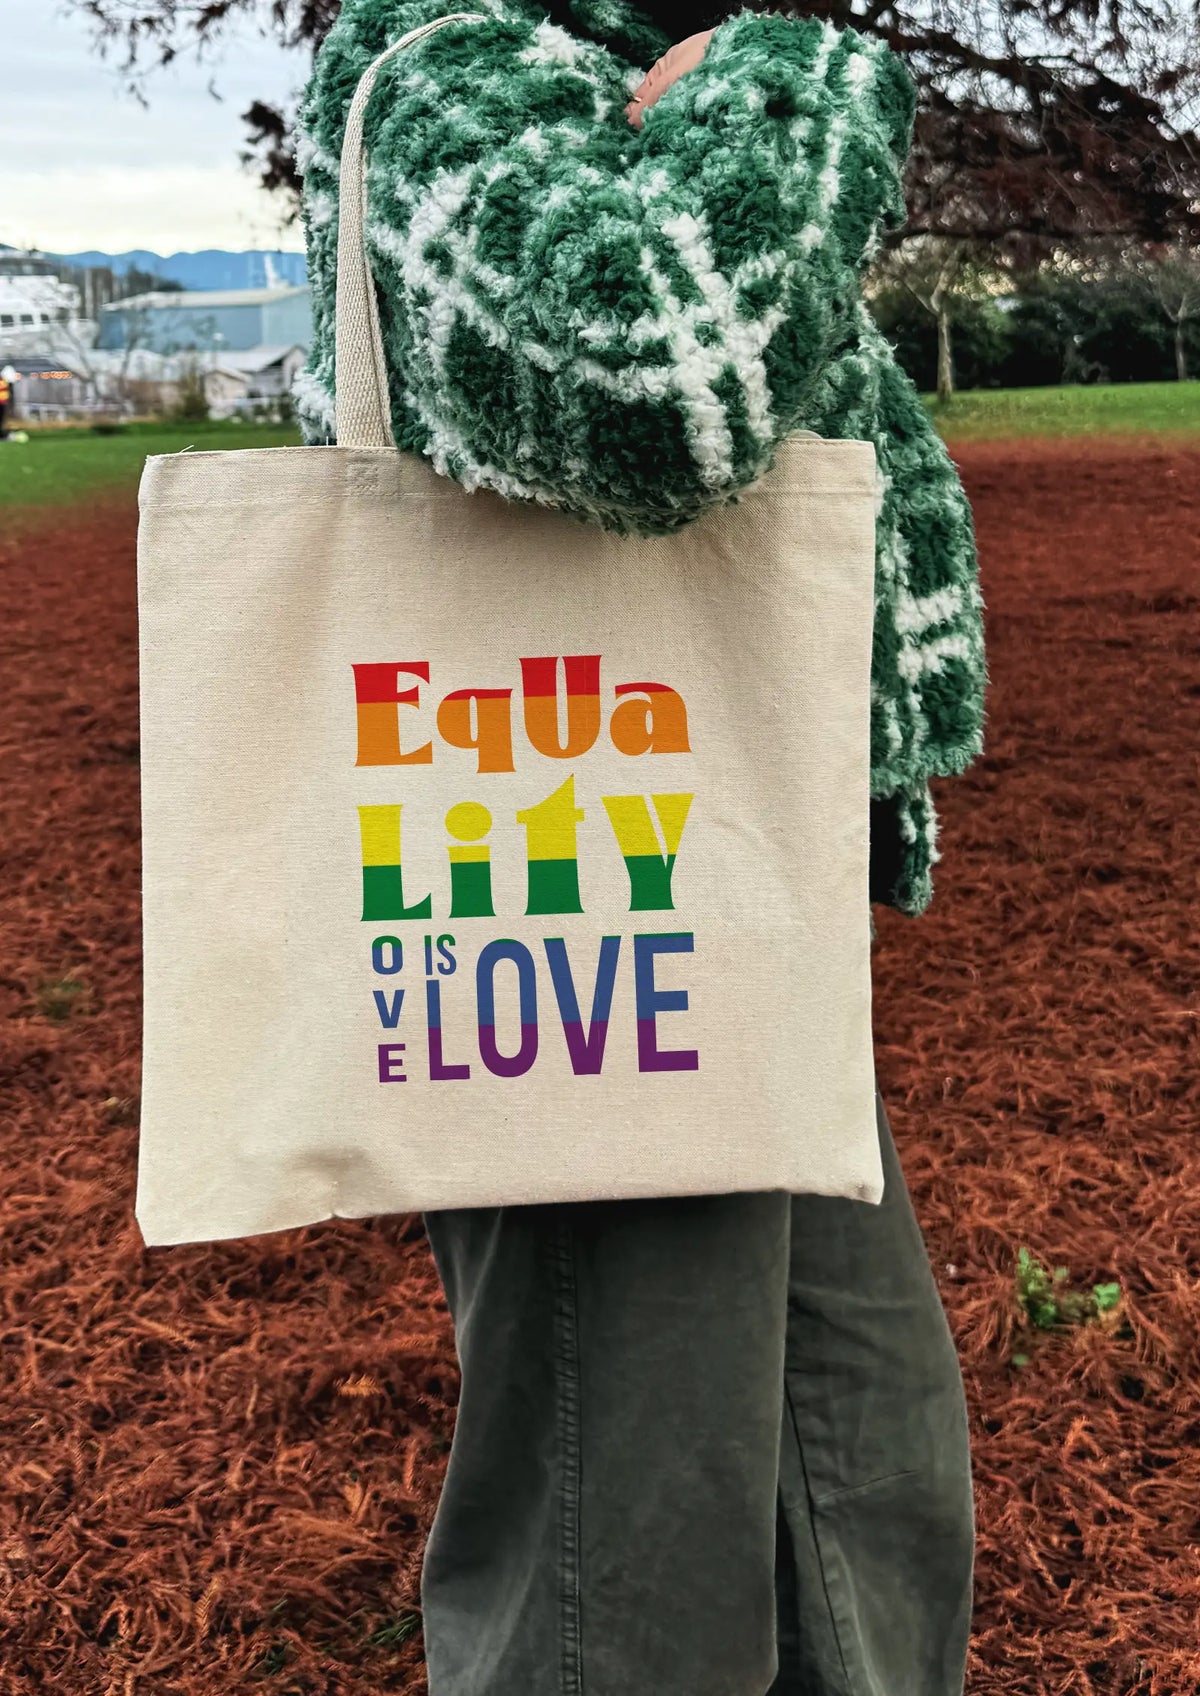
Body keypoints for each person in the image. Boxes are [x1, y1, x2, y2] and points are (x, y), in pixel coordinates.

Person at [297, 3, 987, 1691]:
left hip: (720, 894)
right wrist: (795, 88)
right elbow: (655, 369)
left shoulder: (610, 71)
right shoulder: (456, 62)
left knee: (863, 1493)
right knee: (626, 1581)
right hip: (577, 911)